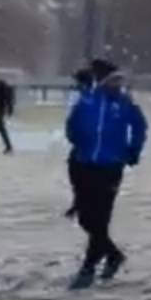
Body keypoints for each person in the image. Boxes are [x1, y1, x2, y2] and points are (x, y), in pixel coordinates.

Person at [64, 59, 147, 290]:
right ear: (103, 82)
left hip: (110, 167)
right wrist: (79, 143)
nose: (117, 84)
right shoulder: (88, 101)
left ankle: (88, 267)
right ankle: (113, 254)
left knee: (101, 218)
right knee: (86, 218)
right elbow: (72, 126)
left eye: (119, 80)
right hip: (84, 164)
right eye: (113, 80)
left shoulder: (124, 103)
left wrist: (132, 151)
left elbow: (140, 127)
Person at [63, 67, 95, 219]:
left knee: (80, 174)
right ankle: (80, 203)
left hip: (86, 145)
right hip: (83, 144)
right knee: (78, 174)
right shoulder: (83, 97)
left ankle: (80, 204)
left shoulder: (87, 99)